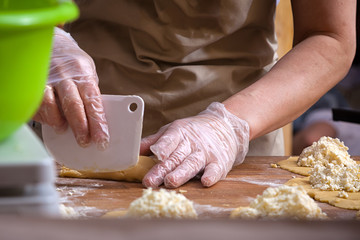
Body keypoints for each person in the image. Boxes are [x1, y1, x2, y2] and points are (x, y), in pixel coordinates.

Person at [32, 0, 356, 188]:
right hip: (80, 118)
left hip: (242, 128)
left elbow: (330, 36)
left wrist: (228, 126)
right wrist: (37, 42)